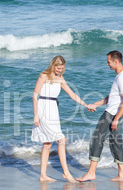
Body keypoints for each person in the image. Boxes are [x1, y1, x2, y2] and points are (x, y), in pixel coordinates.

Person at [32, 55, 90, 183]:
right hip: (43, 109)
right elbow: (35, 95)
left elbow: (72, 94)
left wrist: (86, 105)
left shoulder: (60, 78)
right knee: (62, 140)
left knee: (47, 144)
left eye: (62, 68)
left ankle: (43, 175)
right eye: (58, 68)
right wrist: (36, 115)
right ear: (53, 65)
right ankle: (66, 172)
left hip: (53, 110)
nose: (59, 70)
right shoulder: (44, 76)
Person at [77, 50, 123, 183]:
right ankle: (122, 175)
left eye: (109, 62)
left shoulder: (122, 77)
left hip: (112, 115)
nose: (107, 64)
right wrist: (95, 104)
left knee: (96, 140)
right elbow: (111, 98)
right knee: (115, 144)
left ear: (116, 61)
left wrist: (116, 119)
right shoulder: (121, 76)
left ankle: (91, 173)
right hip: (116, 113)